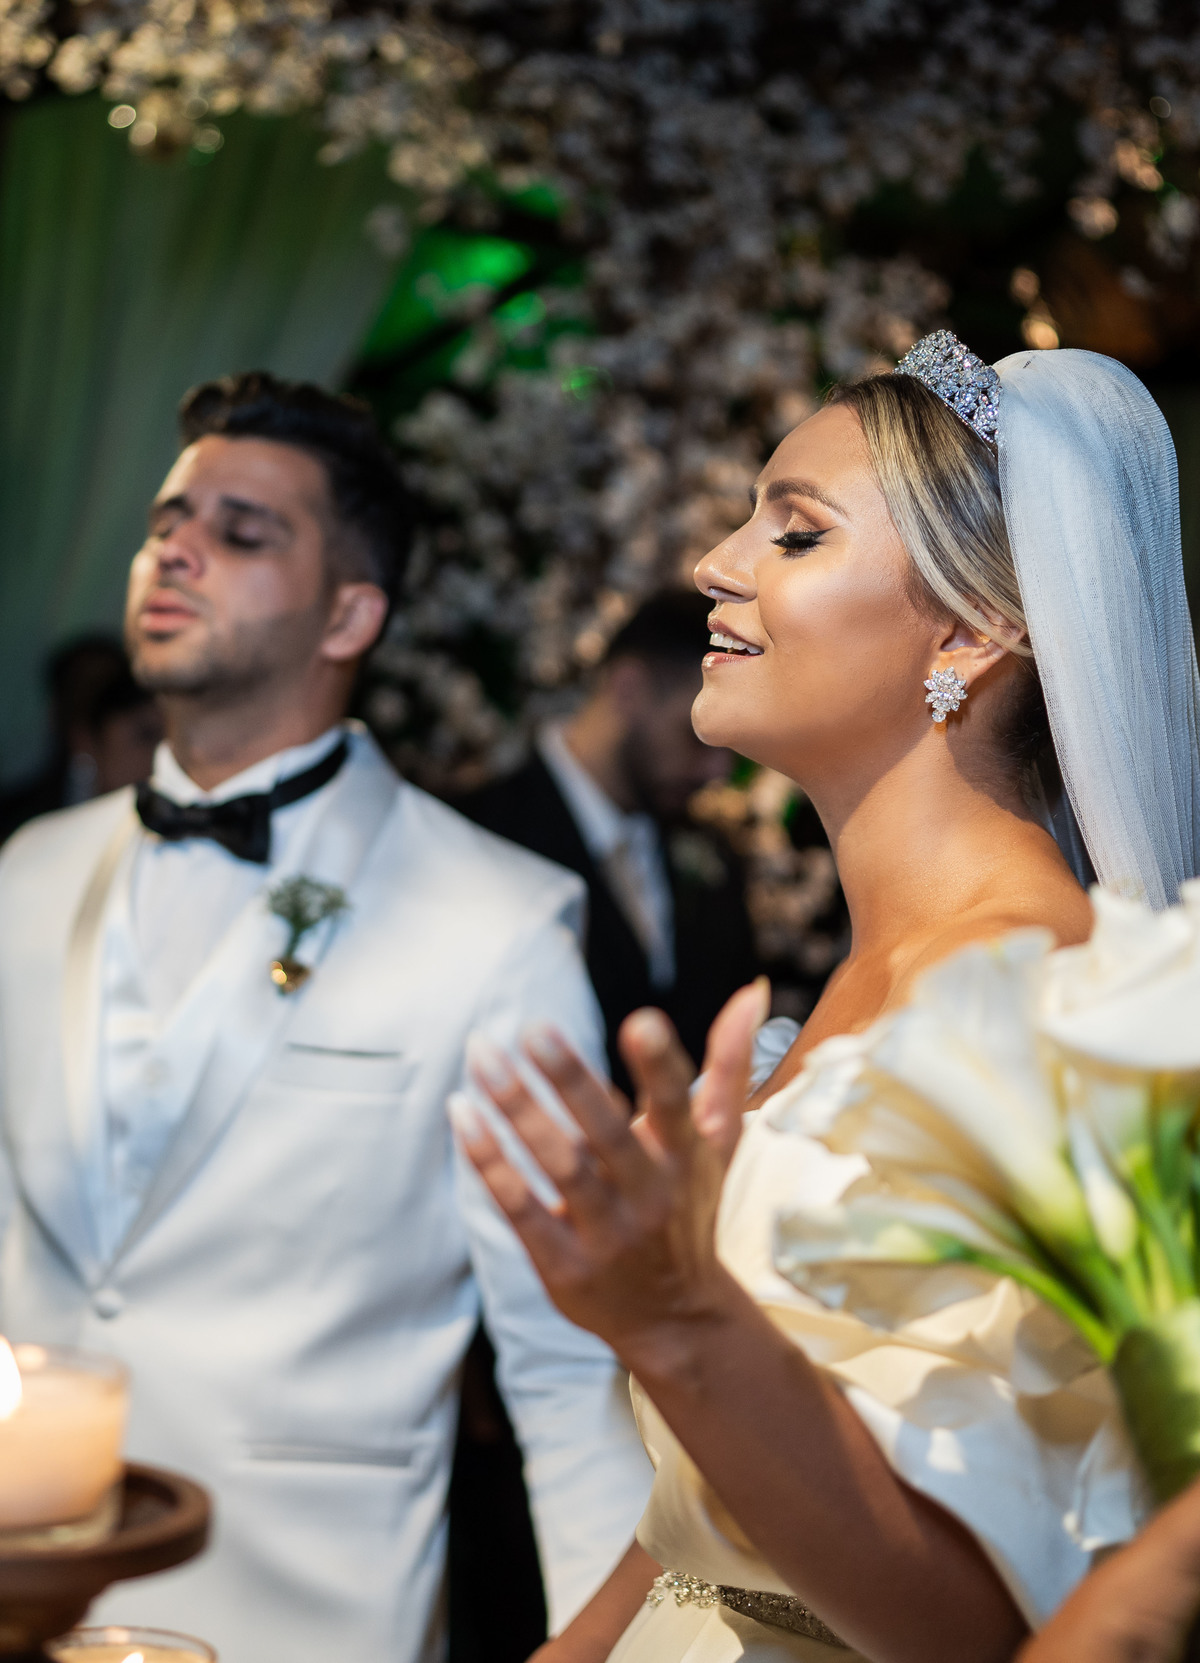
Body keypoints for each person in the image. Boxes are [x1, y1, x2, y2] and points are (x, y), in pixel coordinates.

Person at [455, 336, 1200, 1662]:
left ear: (970, 632)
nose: (714, 563)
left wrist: (677, 1320)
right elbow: (698, 1520)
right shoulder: (852, 995)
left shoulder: (1047, 1022)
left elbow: (981, 1630)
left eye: (794, 532)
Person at [0, 373, 651, 1663]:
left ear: (352, 612)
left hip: (305, 1620)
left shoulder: (499, 922)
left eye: (241, 532)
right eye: (168, 521)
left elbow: (565, 1364)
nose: (176, 549)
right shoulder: (27, 872)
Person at [457, 590, 759, 1080]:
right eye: (697, 736)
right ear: (629, 689)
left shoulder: (714, 857)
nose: (717, 772)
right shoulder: (477, 834)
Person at [0, 636, 159, 841]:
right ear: (86, 739)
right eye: (146, 735)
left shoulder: (174, 822)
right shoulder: (15, 826)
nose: (162, 751)